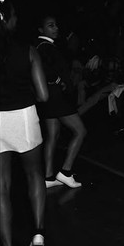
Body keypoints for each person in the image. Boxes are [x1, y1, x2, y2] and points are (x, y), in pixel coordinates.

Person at [0, 0, 49, 246]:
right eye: (15, 16)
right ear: (7, 19)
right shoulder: (28, 50)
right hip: (23, 116)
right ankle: (39, 232)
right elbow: (42, 95)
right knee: (34, 175)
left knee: (1, 188)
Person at [36, 15, 87, 188]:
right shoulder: (46, 47)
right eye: (51, 25)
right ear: (41, 30)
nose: (56, 28)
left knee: (52, 136)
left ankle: (48, 178)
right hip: (57, 98)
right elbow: (45, 69)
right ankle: (65, 172)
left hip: (49, 99)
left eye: (56, 25)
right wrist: (59, 81)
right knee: (80, 131)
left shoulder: (44, 46)